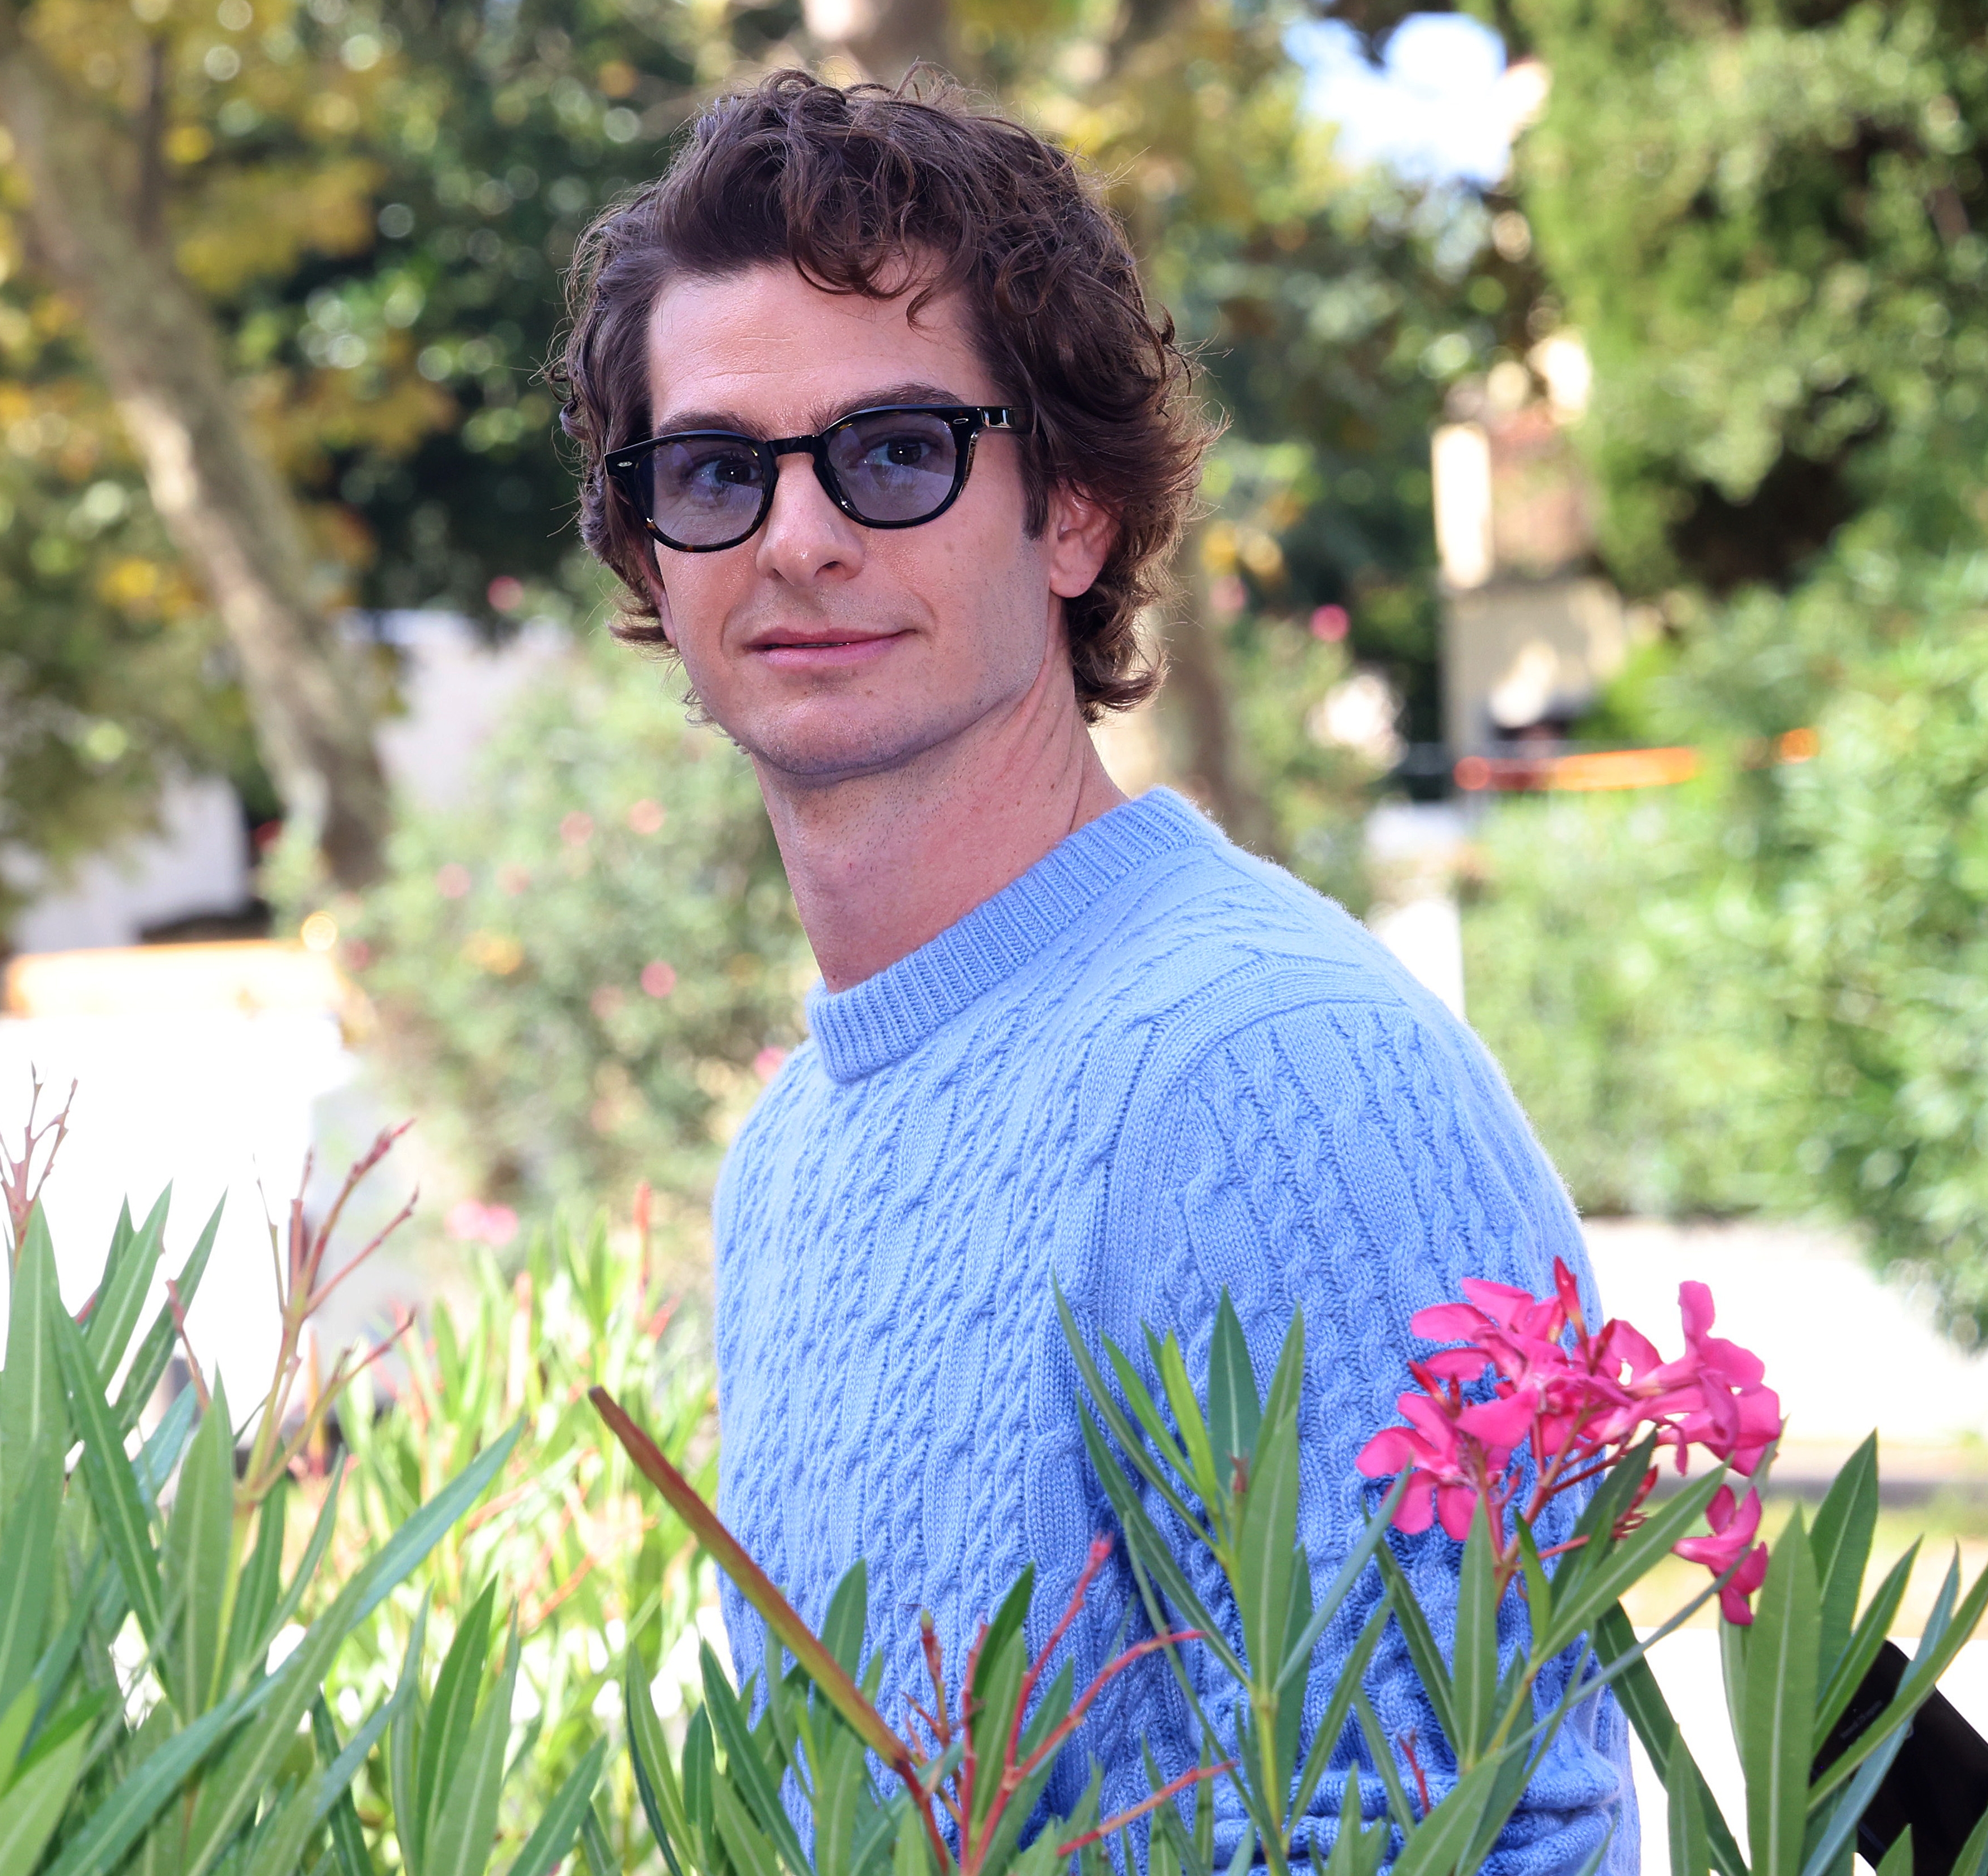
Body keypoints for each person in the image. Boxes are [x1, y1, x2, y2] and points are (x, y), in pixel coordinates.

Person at [557, 71, 1632, 1873]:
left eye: (894, 451)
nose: (800, 537)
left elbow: (1495, 1834)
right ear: (655, 558)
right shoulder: (798, 1150)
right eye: (716, 471)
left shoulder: (1267, 1073)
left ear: (1075, 515)